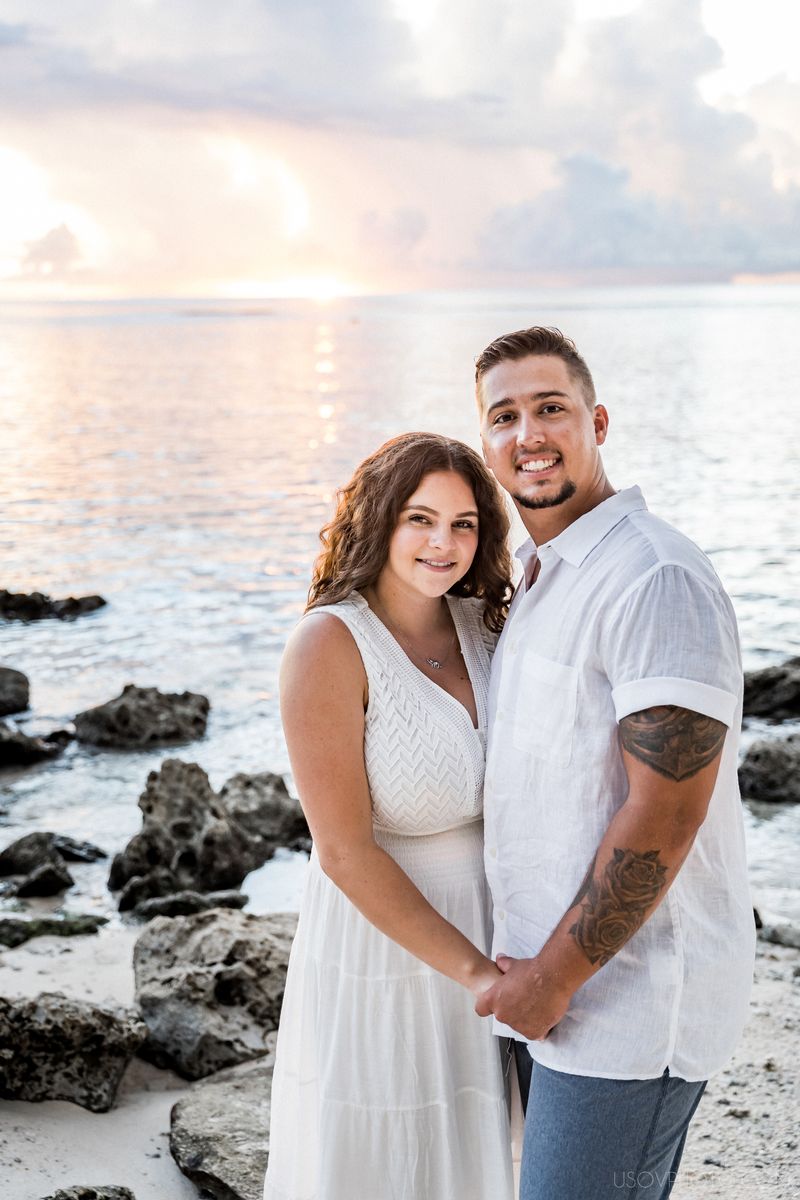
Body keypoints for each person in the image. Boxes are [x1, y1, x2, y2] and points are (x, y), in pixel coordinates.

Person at [473, 326, 756, 1200]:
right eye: (505, 416)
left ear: (596, 421)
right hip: (549, 991)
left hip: (623, 1005)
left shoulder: (654, 575)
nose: (529, 434)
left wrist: (551, 981)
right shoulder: (543, 577)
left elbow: (667, 811)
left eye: (550, 408)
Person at [263, 432, 517, 1200]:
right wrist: (477, 973)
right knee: (383, 1155)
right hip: (385, 949)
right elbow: (342, 850)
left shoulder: (488, 626)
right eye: (420, 519)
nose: (444, 543)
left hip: (494, 927)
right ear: (379, 520)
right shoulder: (329, 643)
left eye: (465, 523)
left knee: (471, 1158)